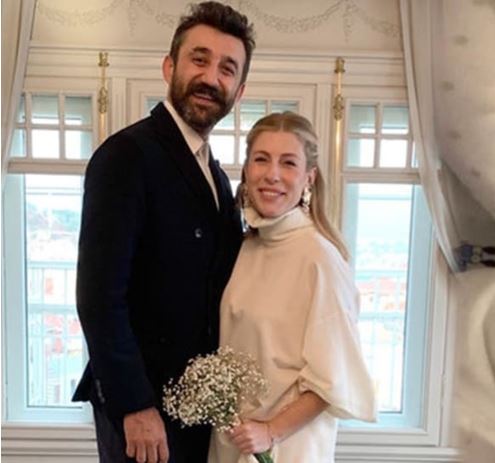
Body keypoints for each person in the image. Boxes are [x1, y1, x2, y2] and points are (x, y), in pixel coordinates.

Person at [72, 3, 255, 463]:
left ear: (239, 90)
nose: (210, 77)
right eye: (199, 59)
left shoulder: (217, 175)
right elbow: (99, 297)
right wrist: (134, 405)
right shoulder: (127, 156)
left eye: (227, 69)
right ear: (169, 67)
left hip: (197, 409)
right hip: (144, 411)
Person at [208, 112, 377, 463]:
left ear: (308, 178)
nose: (272, 174)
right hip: (234, 442)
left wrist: (270, 432)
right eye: (261, 159)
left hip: (287, 447)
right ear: (247, 170)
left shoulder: (320, 259)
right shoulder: (245, 248)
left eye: (288, 163)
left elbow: (332, 379)